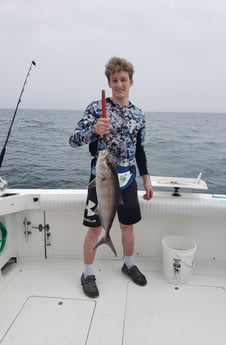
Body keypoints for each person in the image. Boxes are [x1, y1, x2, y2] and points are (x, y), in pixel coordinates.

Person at [69, 56, 153, 298]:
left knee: (128, 226)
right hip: (102, 178)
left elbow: (140, 149)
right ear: (109, 81)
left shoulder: (139, 114)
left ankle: (128, 264)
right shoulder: (96, 108)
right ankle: (87, 273)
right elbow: (73, 139)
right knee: (95, 230)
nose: (119, 84)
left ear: (131, 82)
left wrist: (146, 178)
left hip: (128, 178)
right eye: (114, 80)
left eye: (123, 80)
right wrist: (94, 130)